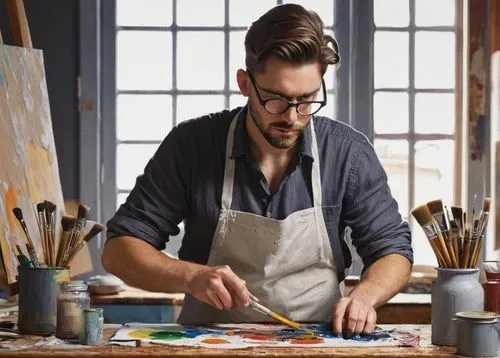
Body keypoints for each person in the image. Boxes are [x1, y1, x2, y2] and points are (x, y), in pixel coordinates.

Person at [102, 3, 413, 336]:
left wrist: (366, 295)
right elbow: (120, 251)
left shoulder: (347, 152)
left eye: (307, 99)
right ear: (245, 83)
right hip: (207, 343)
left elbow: (392, 249)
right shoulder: (192, 145)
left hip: (318, 342)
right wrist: (191, 276)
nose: (292, 117)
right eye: (276, 99)